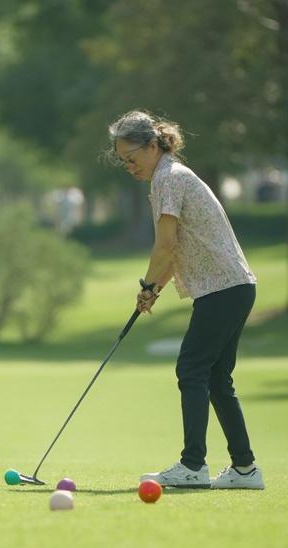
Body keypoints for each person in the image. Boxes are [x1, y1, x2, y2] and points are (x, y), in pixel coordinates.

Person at [108, 110, 264, 490]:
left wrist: (148, 285)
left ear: (152, 145)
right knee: (214, 378)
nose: (129, 166)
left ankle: (193, 466)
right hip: (233, 286)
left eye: (132, 157)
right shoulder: (167, 176)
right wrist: (153, 290)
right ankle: (245, 469)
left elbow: (165, 245)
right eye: (123, 161)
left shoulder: (169, 179)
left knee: (191, 369)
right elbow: (175, 250)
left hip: (222, 288)